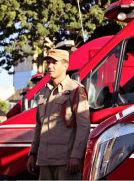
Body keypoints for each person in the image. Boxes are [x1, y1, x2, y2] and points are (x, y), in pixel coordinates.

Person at [27, 49, 90, 180]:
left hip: (66, 162)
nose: (50, 66)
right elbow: (39, 125)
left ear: (66, 65)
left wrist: (76, 155)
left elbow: (83, 126)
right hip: (44, 161)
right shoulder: (44, 90)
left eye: (54, 63)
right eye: (48, 63)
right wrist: (32, 153)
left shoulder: (76, 89)